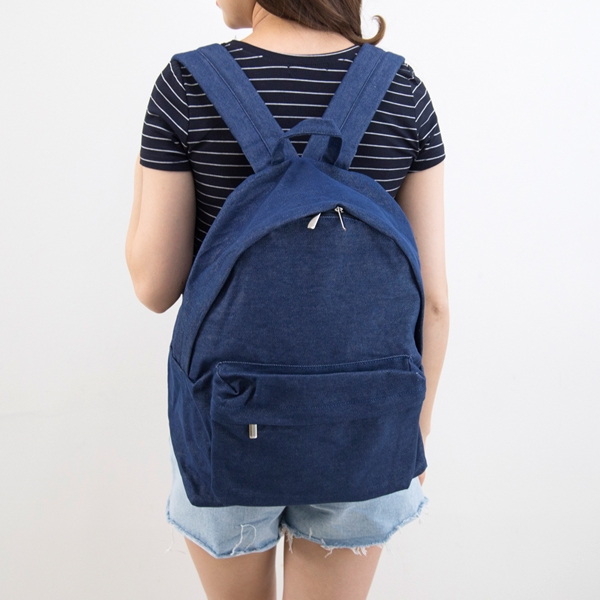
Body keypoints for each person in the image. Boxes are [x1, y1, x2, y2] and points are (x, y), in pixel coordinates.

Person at [126, 1, 449, 598]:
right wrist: (414, 432)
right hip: (366, 419)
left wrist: (146, 167)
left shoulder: (186, 86)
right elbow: (434, 302)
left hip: (227, 419)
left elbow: (154, 286)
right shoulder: (401, 90)